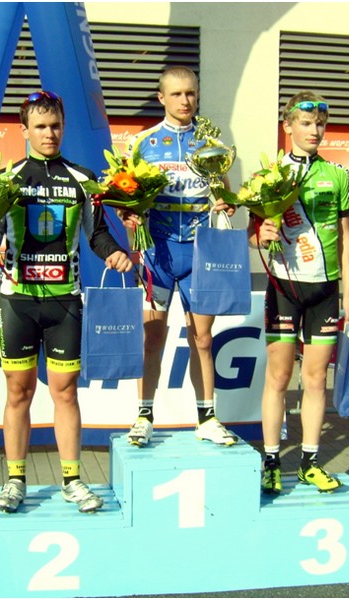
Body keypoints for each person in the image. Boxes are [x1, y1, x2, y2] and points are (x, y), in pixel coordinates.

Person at [0, 90, 133, 513]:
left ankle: (72, 481)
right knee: (18, 392)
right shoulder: (6, 180)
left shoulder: (81, 178)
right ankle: (15, 480)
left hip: (65, 302)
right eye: (41, 126)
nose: (49, 133)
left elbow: (97, 234)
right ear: (24, 130)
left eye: (56, 125)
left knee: (65, 392)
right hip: (18, 301)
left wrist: (115, 253)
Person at [117, 66, 238, 447]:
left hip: (201, 254)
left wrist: (227, 203)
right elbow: (124, 196)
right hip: (158, 253)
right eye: (176, 94)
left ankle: (207, 418)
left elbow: (226, 193)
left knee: (202, 339)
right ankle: (144, 416)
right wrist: (127, 214)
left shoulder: (211, 142)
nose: (185, 101)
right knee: (152, 338)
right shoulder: (143, 143)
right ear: (161, 98)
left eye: (190, 93)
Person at [249, 90, 349, 494]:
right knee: (279, 375)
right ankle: (271, 460)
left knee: (315, 379)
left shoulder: (338, 174)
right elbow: (252, 237)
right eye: (306, 123)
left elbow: (346, 238)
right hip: (284, 287)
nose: (315, 131)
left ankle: (310, 461)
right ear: (288, 126)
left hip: (325, 291)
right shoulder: (269, 175)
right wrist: (262, 235)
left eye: (320, 124)